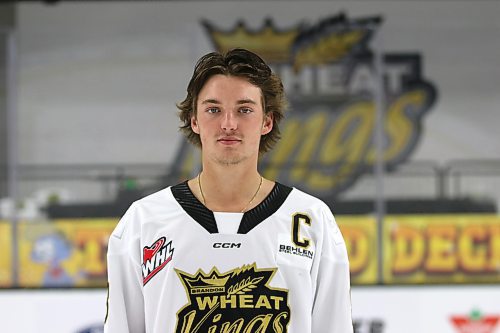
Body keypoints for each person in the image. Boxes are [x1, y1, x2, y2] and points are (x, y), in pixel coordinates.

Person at [105, 48, 353, 333]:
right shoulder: (144, 221)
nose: (228, 124)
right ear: (194, 120)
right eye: (213, 109)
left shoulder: (312, 220)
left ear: (267, 121)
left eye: (244, 110)